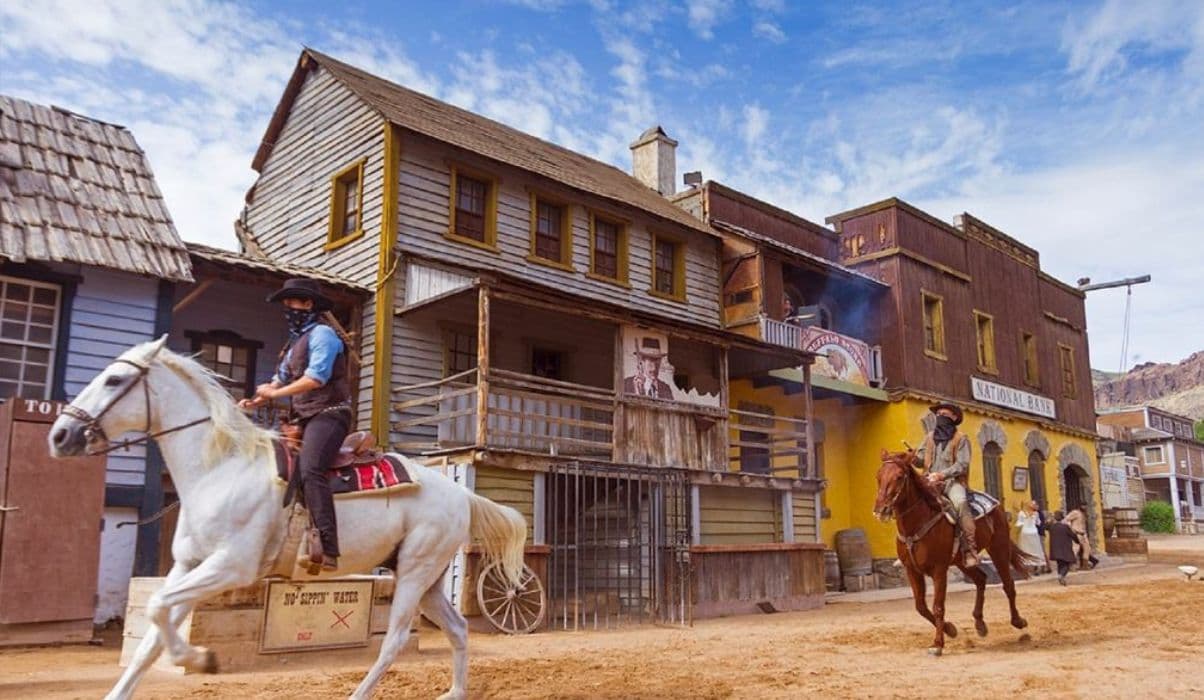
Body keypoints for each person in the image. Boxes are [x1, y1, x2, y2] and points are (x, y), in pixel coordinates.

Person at [240, 279, 349, 571]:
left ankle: (327, 547)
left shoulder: (324, 334)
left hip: (330, 414)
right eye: (285, 304)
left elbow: (316, 378)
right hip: (302, 417)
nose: (287, 309)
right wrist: (255, 402)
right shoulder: (293, 344)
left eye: (292, 302)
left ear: (308, 304)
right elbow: (280, 381)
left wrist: (274, 394)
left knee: (311, 468)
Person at [912, 402, 978, 567]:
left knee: (960, 503)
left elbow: (962, 464)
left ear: (954, 418)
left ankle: (969, 549)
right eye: (938, 414)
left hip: (952, 482)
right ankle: (909, 547)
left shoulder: (961, 439)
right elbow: (921, 461)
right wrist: (913, 458)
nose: (940, 417)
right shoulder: (929, 437)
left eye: (945, 415)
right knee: (910, 501)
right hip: (928, 481)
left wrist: (942, 474)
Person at [1047, 510, 1081, 585]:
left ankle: (1060, 575)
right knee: (1067, 563)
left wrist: (1049, 519)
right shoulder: (1065, 527)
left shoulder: (1052, 527)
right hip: (1065, 549)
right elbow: (1073, 535)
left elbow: (1045, 526)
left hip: (1055, 549)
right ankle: (1061, 575)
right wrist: (1078, 541)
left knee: (1060, 564)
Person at [1015, 501, 1045, 576]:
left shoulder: (1021, 513)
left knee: (1025, 550)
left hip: (1025, 532)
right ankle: (1036, 567)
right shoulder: (1036, 513)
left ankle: (1027, 569)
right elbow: (1038, 523)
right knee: (1036, 549)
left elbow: (1019, 524)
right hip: (1034, 532)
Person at [1065, 505, 1099, 570]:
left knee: (1087, 549)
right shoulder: (1075, 513)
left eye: (1085, 506)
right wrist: (1071, 528)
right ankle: (1071, 566)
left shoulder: (1084, 514)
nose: (1084, 507)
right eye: (1083, 506)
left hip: (1083, 534)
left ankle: (1084, 565)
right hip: (1077, 533)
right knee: (1075, 550)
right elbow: (1066, 519)